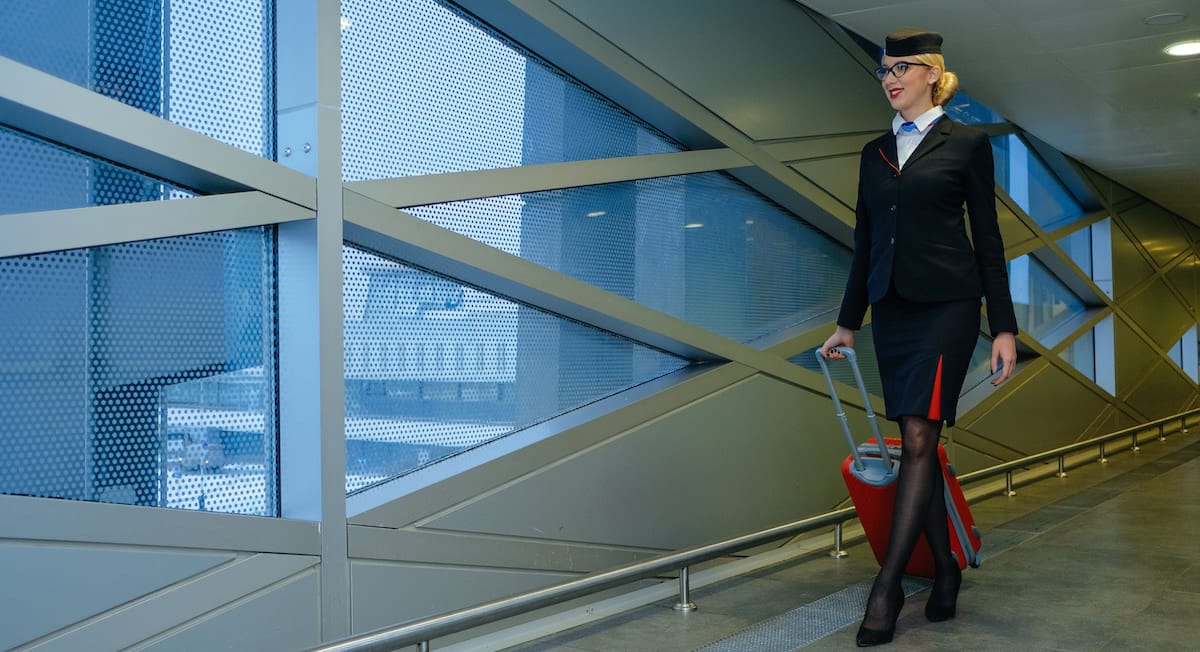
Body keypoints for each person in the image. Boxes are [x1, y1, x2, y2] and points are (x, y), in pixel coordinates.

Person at [818, 27, 1019, 647]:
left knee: (919, 433)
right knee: (917, 446)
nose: (891, 78)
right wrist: (848, 322)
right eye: (884, 70)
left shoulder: (967, 145)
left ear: (933, 73)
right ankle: (947, 570)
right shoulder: (873, 152)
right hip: (894, 314)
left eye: (903, 67)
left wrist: (1003, 327)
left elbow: (988, 239)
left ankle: (887, 586)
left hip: (949, 308)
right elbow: (866, 243)